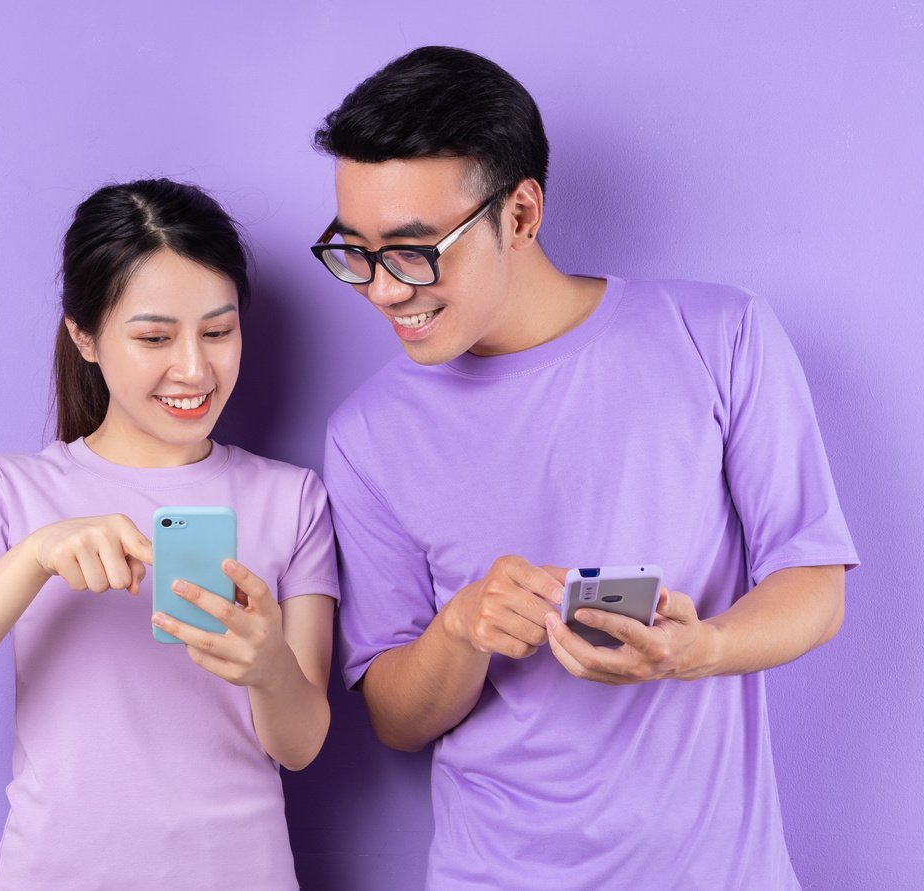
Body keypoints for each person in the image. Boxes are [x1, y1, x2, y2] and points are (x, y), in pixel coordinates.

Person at [311, 46, 857, 889]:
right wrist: (460, 629)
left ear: (521, 214)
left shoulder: (721, 336)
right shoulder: (366, 435)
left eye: (415, 251)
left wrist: (699, 648)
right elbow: (393, 716)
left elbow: (814, 587)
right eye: (356, 251)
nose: (384, 290)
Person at [0, 178, 338, 890]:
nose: (194, 368)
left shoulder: (292, 499)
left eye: (219, 330)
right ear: (83, 336)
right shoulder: (12, 489)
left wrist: (269, 665)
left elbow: (300, 747)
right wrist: (34, 556)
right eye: (155, 336)